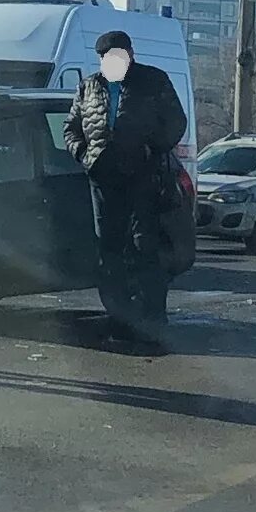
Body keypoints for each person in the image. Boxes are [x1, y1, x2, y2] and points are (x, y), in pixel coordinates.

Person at [63, 30, 187, 343]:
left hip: (143, 176)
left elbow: (176, 122)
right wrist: (84, 155)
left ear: (130, 54)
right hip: (103, 179)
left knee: (144, 248)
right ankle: (119, 317)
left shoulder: (153, 81)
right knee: (110, 250)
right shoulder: (89, 86)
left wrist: (151, 149)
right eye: (106, 57)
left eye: (118, 55)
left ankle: (152, 320)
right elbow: (71, 128)